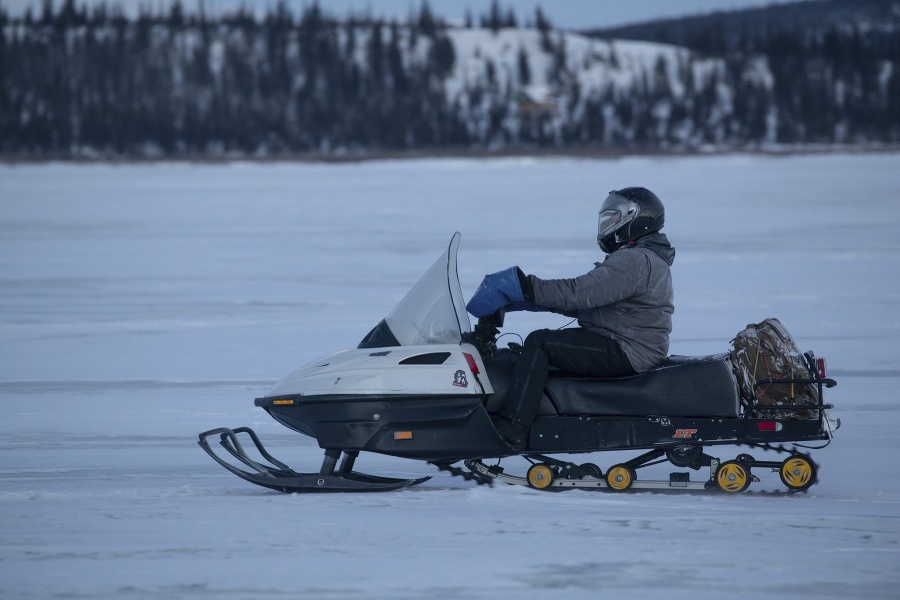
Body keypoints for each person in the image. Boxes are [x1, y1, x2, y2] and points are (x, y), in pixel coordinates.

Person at [467, 187, 675, 449]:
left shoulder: (635, 260)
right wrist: (519, 300)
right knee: (541, 346)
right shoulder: (644, 258)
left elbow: (579, 294)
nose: (607, 225)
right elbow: (589, 304)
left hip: (628, 350)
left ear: (634, 219)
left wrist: (525, 285)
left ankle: (512, 429)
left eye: (612, 219)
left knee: (540, 343)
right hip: (625, 342)